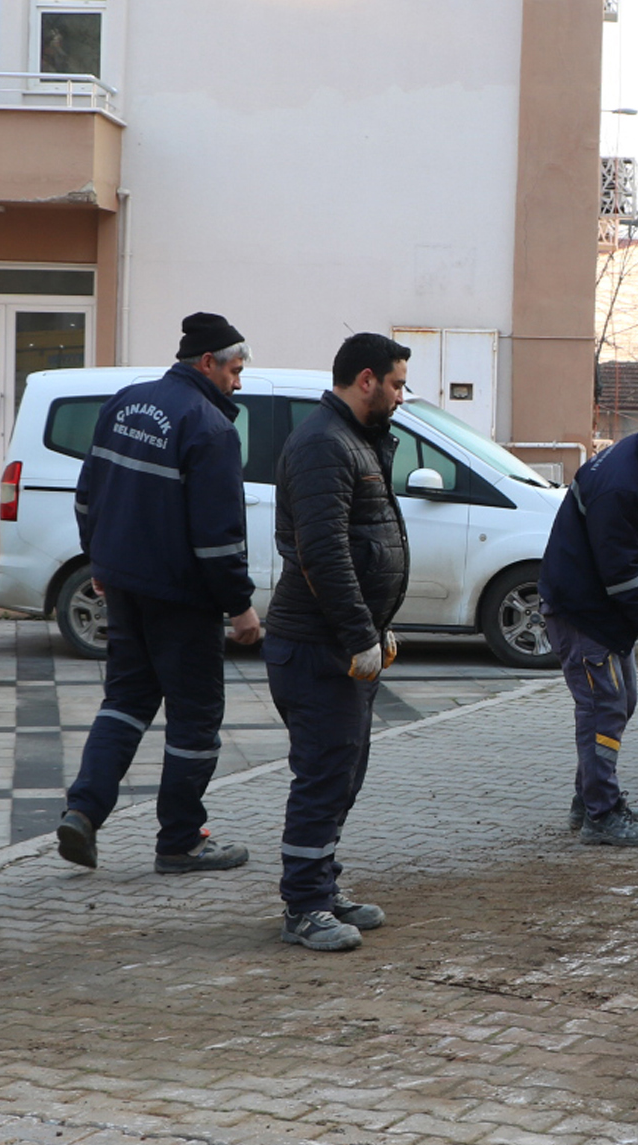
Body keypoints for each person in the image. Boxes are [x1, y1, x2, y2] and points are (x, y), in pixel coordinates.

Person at [56, 313, 262, 874]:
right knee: (195, 720)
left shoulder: (124, 403)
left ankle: (83, 811)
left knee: (124, 702)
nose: (237, 384)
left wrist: (99, 558)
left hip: (123, 586)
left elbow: (87, 493)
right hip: (182, 599)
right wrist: (240, 605)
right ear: (207, 364)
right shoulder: (211, 428)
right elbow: (218, 537)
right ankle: (180, 841)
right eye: (235, 371)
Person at [263, 333, 412, 952]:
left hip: (340, 642)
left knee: (343, 773)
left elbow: (361, 544)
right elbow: (322, 554)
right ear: (368, 379)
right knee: (324, 775)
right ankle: (303, 907)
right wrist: (358, 633)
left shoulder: (354, 441)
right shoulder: (326, 445)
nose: (402, 398)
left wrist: (378, 624)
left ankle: (321, 888)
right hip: (316, 646)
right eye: (398, 384)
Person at [539, 399, 638, 847]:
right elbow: (620, 570)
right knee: (603, 707)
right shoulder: (619, 485)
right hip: (582, 610)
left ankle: (589, 798)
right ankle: (601, 815)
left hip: (608, 611)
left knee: (618, 702)